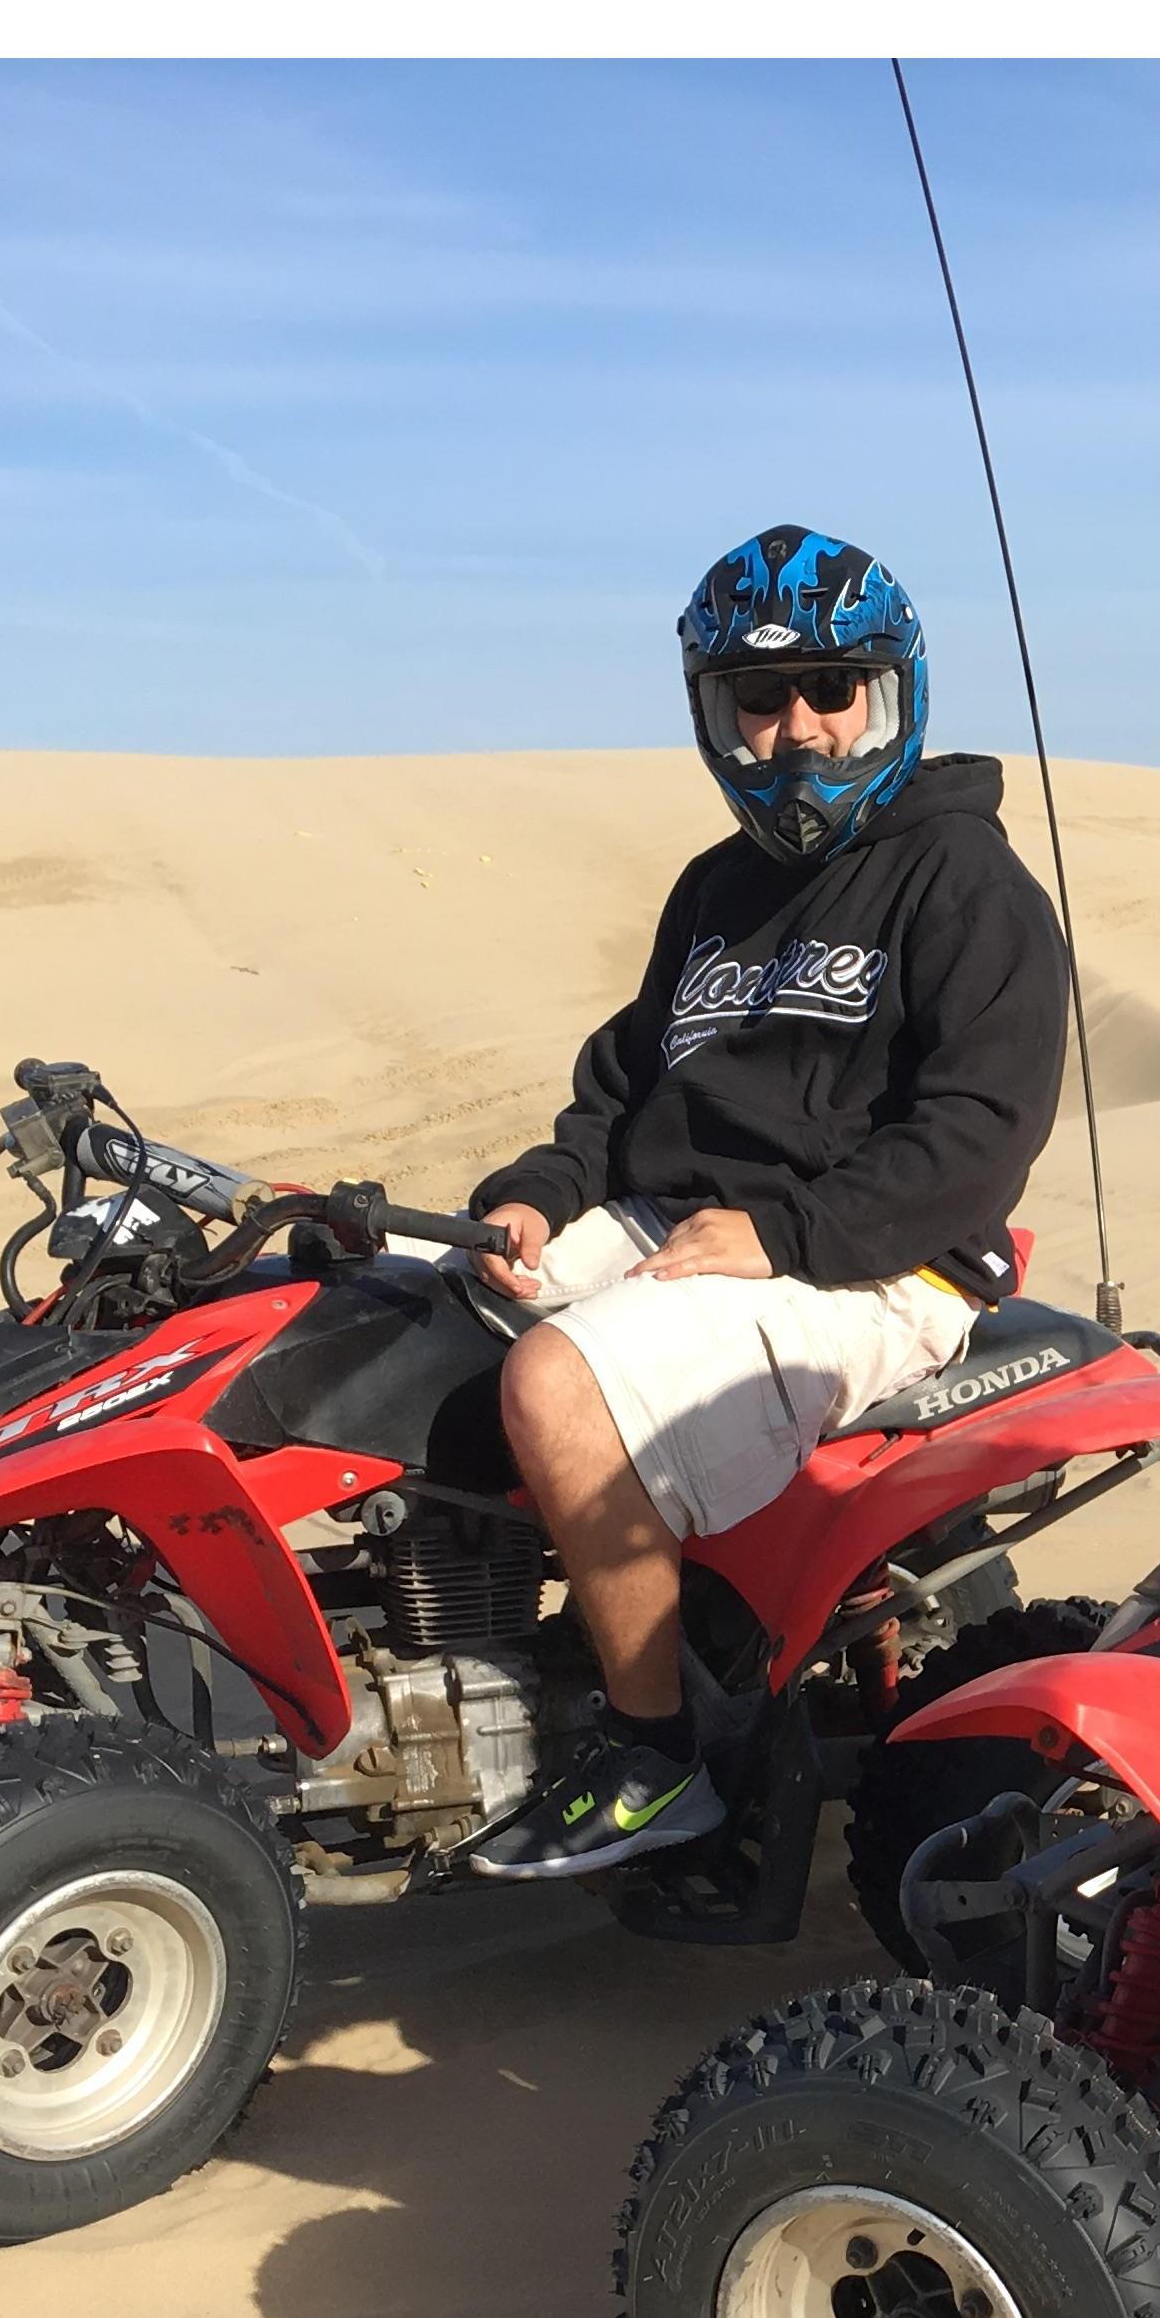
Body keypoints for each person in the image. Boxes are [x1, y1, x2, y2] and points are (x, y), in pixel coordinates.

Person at [459, 526, 1068, 1880]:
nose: (796, 732)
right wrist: (534, 1204)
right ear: (714, 713)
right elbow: (620, 1100)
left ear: (890, 696)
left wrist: (789, 1234)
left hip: (876, 1261)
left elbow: (981, 1136)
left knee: (556, 1386)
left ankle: (657, 1753)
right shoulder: (718, 891)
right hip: (698, 1230)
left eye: (830, 692)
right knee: (416, 1315)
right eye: (758, 699)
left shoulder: (966, 885)